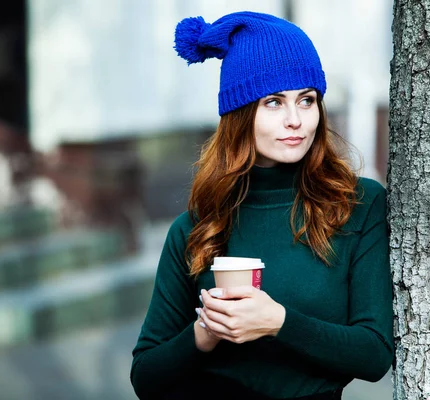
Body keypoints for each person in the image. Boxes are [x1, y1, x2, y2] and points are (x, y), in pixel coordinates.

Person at [130, 11, 393, 400]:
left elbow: (374, 355)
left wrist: (278, 322)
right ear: (240, 115)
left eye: (307, 100)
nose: (295, 120)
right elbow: (146, 377)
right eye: (273, 102)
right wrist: (205, 332)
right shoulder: (197, 227)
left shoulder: (358, 205)